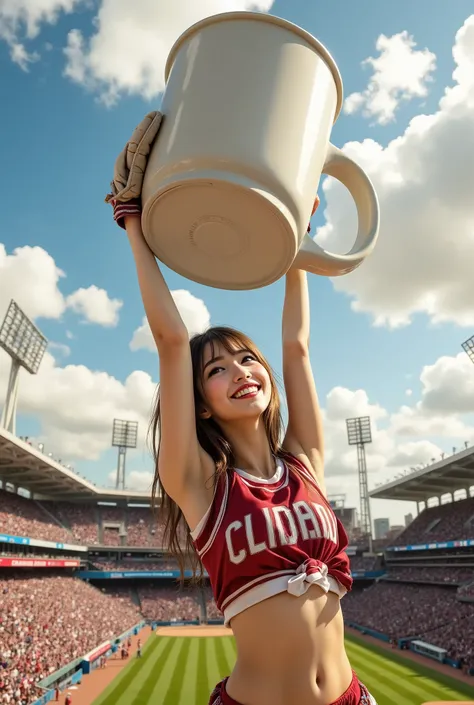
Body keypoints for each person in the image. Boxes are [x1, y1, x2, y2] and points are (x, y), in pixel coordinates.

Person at [107, 114, 377, 705]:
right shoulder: (200, 486)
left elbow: (297, 347)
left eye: (246, 360)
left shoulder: (305, 461)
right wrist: (131, 217)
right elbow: (173, 341)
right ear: (199, 405)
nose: (241, 373)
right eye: (217, 371)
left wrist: (299, 241)